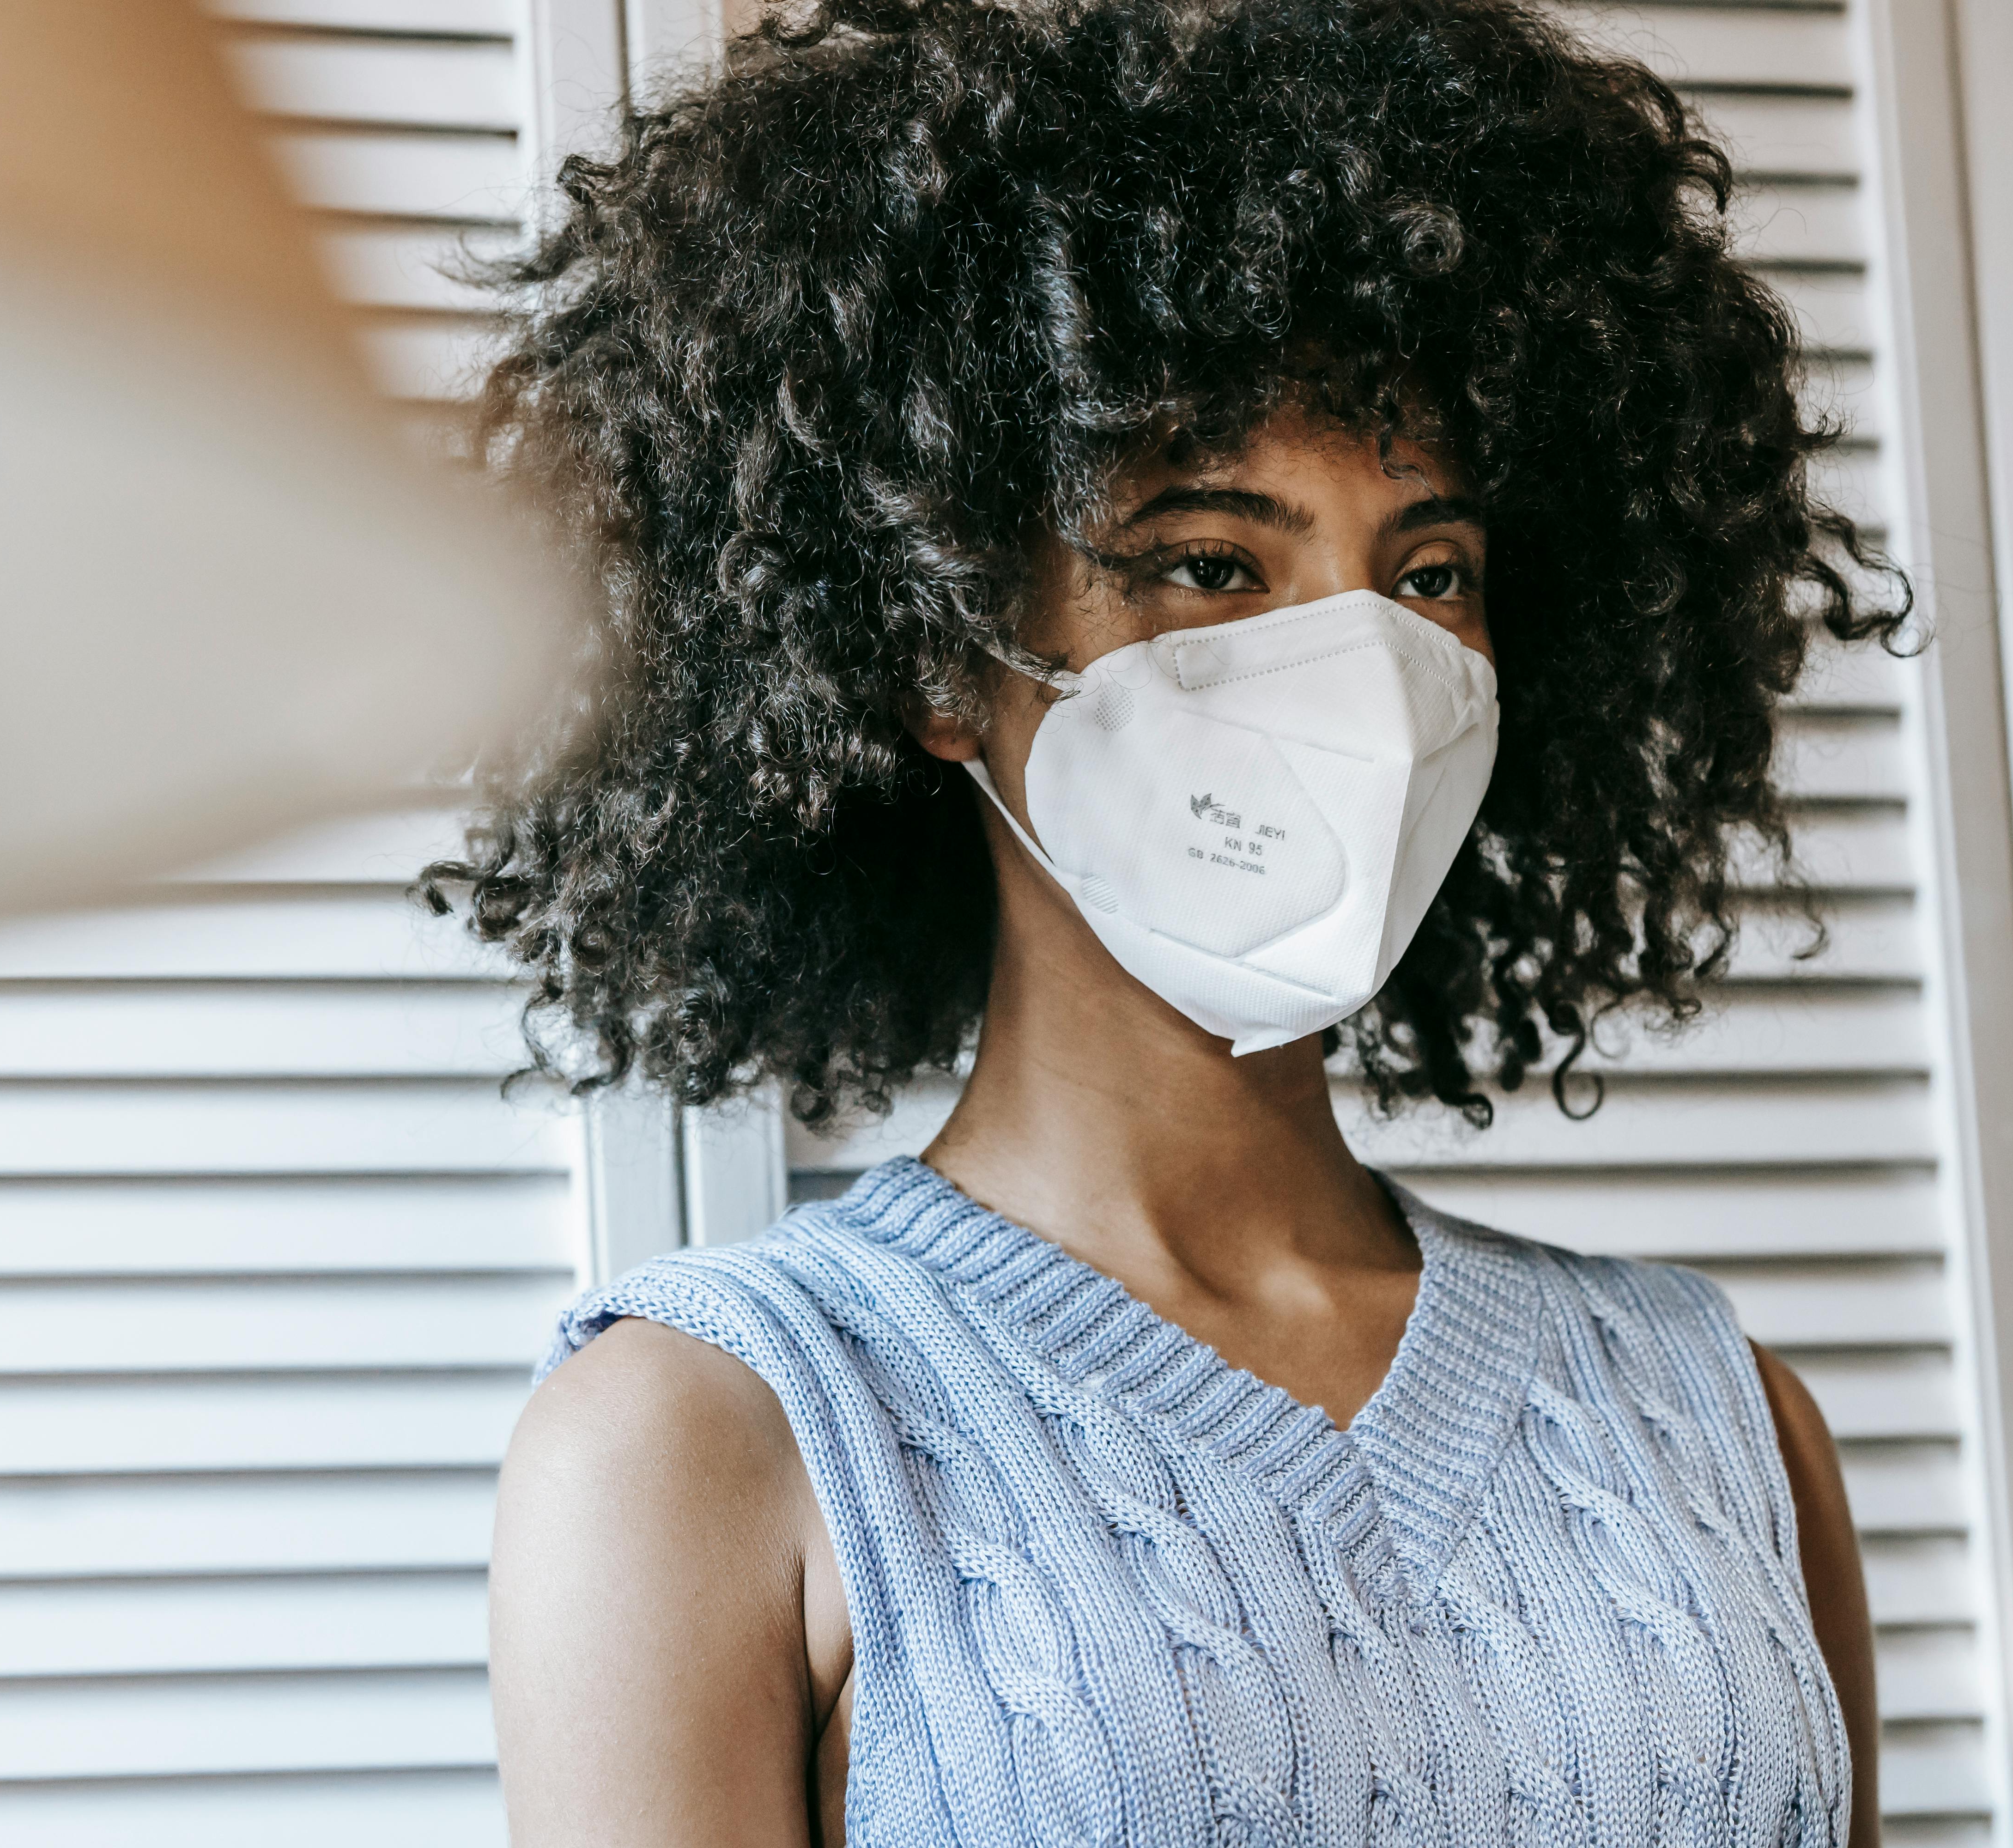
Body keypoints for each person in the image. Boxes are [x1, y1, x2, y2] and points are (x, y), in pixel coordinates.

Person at [428, 0, 1904, 1841]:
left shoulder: (1730, 1424)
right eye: (1214, 563)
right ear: (936, 647)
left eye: (1429, 572)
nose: (1361, 671)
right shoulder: (708, 1437)